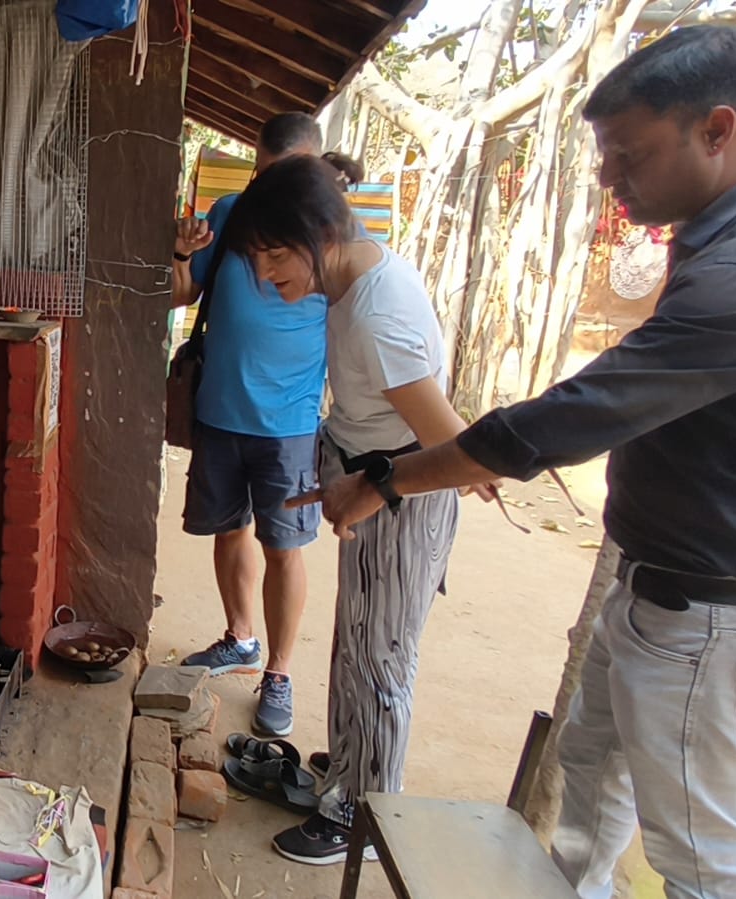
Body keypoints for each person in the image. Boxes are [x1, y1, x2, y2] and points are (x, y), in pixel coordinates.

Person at [314, 26, 736, 899]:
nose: (607, 178)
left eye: (628, 154)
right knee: (587, 812)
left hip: (720, 614)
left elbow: (578, 415)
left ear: (716, 129)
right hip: (665, 593)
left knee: (701, 868)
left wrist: (386, 478)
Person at [214, 153, 497, 864]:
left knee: (379, 662)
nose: (268, 281)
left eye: (275, 261)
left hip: (400, 497)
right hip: (375, 485)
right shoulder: (352, 283)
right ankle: (347, 775)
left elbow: (459, 455)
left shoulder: (376, 314)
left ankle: (362, 818)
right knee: (357, 645)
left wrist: (373, 485)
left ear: (318, 236)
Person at [170, 112, 331, 738]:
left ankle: (280, 672)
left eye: (283, 175)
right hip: (220, 409)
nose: (270, 188)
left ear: (313, 169)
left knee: (284, 546)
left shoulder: (332, 227)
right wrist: (182, 253)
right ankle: (240, 639)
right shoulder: (232, 211)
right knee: (229, 528)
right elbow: (183, 294)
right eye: (262, 174)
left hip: (289, 422)